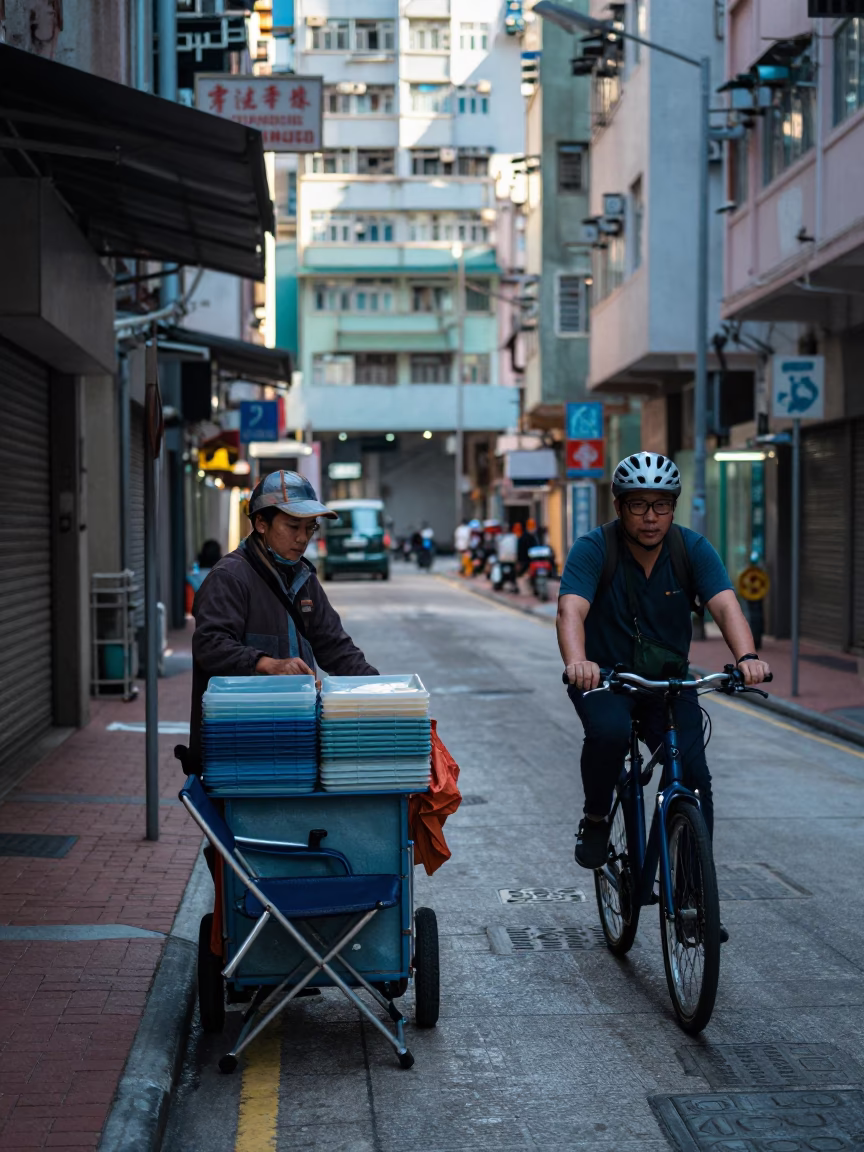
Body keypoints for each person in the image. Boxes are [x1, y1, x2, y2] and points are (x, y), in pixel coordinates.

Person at [557, 452, 770, 926]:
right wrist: (578, 662)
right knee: (610, 735)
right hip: (605, 678)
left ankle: (694, 893)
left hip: (667, 682)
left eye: (661, 505)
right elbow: (570, 610)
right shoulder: (594, 548)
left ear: (673, 507)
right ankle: (595, 819)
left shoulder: (691, 549)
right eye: (638, 505)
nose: (650, 517)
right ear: (618, 507)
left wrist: (748, 658)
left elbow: (725, 604)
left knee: (694, 772)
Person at [188, 470, 378, 765]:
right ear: (261, 523)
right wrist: (266, 664)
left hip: (296, 738)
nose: (302, 538)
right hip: (241, 745)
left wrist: (380, 691)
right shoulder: (230, 577)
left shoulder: (304, 578)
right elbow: (209, 645)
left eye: (310, 528)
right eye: (292, 527)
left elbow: (336, 647)